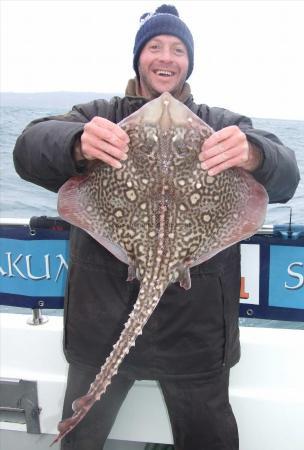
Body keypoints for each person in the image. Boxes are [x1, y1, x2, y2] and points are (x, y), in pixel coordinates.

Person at [13, 4, 300, 450]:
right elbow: (28, 148)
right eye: (155, 46)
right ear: (138, 58)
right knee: (82, 440)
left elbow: (287, 175)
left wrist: (255, 153)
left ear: (188, 62)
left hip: (196, 333)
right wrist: (76, 141)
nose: (166, 57)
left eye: (177, 49)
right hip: (103, 323)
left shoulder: (221, 124)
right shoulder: (100, 115)